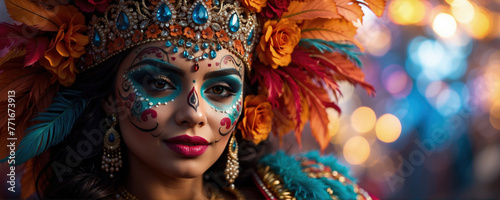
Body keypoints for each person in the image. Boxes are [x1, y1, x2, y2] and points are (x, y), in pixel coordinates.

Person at [0, 0, 386, 199]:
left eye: (220, 89)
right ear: (106, 97)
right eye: (157, 82)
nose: (193, 113)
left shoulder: (306, 193)